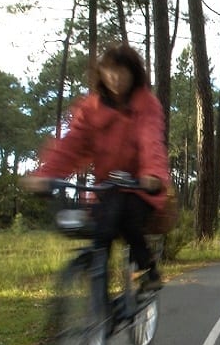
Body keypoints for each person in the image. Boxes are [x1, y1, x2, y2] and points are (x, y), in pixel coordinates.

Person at [22, 42, 171, 293]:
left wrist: (153, 174)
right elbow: (71, 144)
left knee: (128, 217)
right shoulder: (91, 108)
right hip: (107, 187)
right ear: (101, 73)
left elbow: (151, 141)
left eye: (122, 71)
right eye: (110, 70)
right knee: (102, 230)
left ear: (134, 74)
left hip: (140, 187)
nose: (116, 77)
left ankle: (147, 268)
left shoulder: (146, 104)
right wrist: (45, 175)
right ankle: (98, 306)